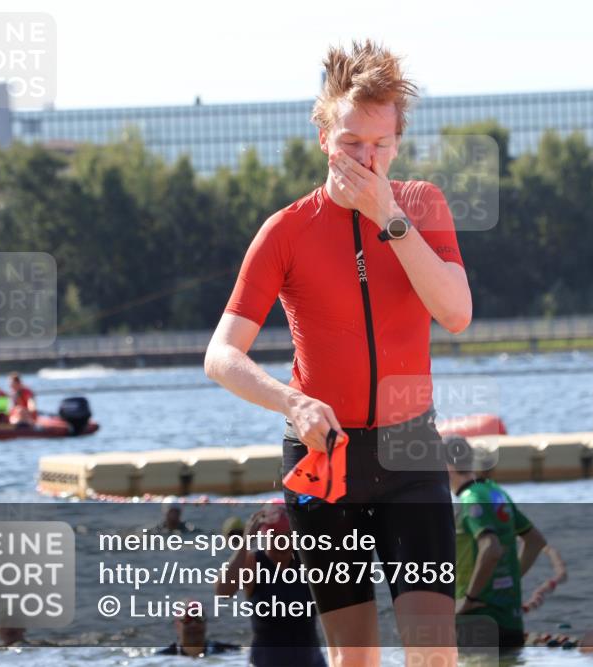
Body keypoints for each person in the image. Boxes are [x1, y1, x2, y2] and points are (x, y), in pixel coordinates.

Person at [204, 40, 470, 667]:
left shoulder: (423, 204)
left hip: (410, 451)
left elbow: (456, 313)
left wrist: (390, 217)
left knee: (435, 652)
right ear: (324, 136)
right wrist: (292, 402)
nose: (366, 158)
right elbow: (222, 355)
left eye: (379, 145)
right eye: (352, 142)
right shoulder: (287, 230)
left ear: (398, 143)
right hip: (326, 459)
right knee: (357, 658)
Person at [445, 436, 547, 651]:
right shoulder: (496, 493)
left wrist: (470, 599)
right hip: (510, 619)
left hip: (478, 619)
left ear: (449, 466)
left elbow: (490, 548)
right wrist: (509, 578)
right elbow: (535, 541)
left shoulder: (470, 500)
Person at [216, 500, 325, 666]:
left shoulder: (308, 561)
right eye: (274, 538)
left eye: (287, 537)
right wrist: (245, 542)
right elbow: (223, 592)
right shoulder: (252, 562)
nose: (281, 545)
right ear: (264, 536)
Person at [157, 599, 241, 658]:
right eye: (188, 619)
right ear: (177, 625)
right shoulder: (163, 658)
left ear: (206, 622)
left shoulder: (230, 652)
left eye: (199, 618)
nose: (194, 624)